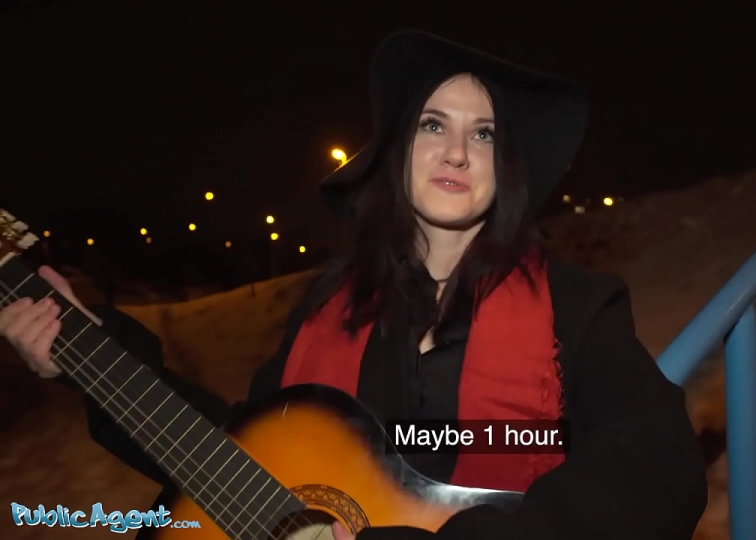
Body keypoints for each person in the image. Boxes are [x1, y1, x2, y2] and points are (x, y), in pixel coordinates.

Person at [0, 29, 707, 539]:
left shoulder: (576, 306)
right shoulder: (328, 311)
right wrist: (87, 350)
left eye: (485, 134)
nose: (457, 152)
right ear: (398, 151)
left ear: (506, 168)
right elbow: (244, 452)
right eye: (433, 124)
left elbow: (657, 467)